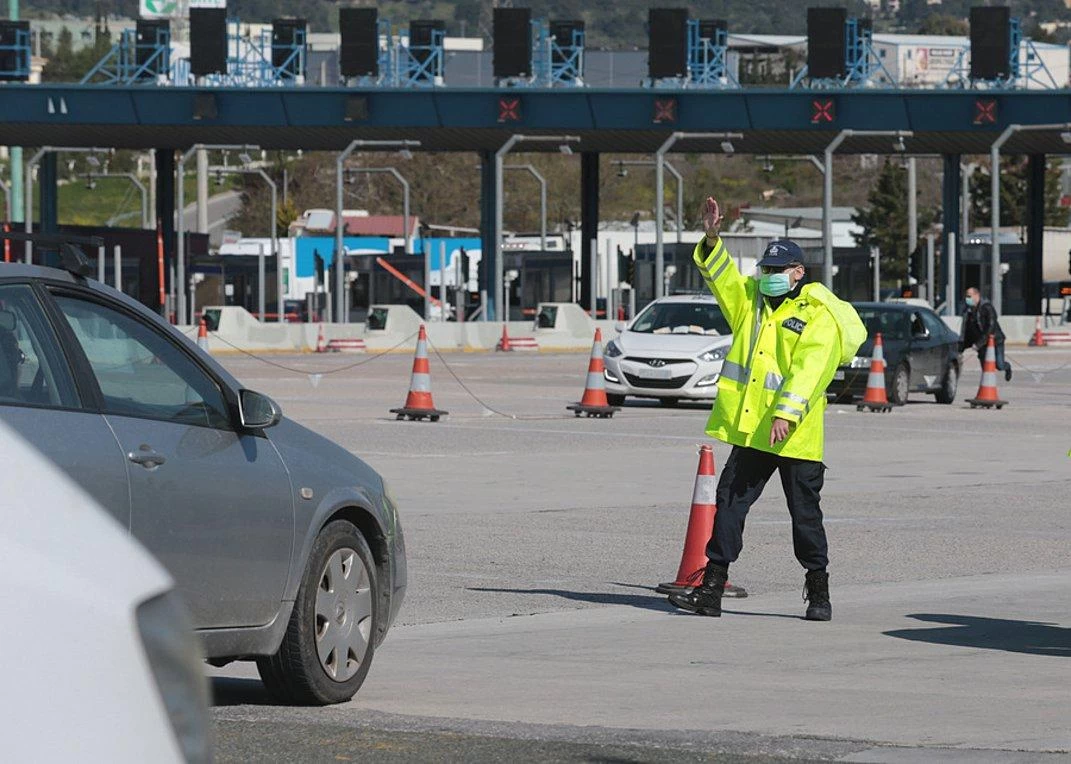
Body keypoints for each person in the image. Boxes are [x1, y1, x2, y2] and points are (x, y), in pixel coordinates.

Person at [667, 197, 865, 622]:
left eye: (778, 271)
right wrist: (712, 237)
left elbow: (809, 371)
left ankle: (819, 591)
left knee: (805, 516)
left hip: (796, 435)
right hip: (754, 429)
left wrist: (786, 414)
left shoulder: (818, 315)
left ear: (798, 272)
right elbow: (720, 278)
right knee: (729, 505)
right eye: (765, 270)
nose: (769, 277)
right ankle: (712, 589)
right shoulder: (751, 303)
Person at [961, 287, 1012, 382]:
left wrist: (979, 343)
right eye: (966, 296)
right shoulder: (968, 311)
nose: (967, 299)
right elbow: (968, 331)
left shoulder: (987, 307)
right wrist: (962, 347)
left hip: (995, 341)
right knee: (985, 367)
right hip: (982, 344)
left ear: (976, 296)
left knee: (999, 365)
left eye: (969, 296)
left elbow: (990, 327)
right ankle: (987, 386)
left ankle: (1007, 367)